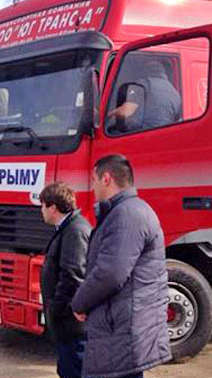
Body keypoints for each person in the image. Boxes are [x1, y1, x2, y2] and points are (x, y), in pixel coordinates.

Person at [71, 155, 171, 378]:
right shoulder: (126, 211)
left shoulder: (126, 214)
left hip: (123, 330)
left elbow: (110, 273)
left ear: (106, 179)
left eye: (94, 179)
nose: (93, 186)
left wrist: (79, 303)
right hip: (123, 327)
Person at [39, 182, 91, 378]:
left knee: (72, 371)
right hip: (68, 324)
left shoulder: (75, 231)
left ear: (53, 208)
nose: (41, 211)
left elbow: (73, 275)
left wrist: (55, 308)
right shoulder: (67, 228)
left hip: (72, 326)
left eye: (42, 205)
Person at [108, 60, 182, 133]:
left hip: (143, 135)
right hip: (162, 137)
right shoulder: (175, 93)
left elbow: (126, 112)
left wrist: (108, 115)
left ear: (145, 72)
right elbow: (176, 120)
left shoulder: (143, 84)